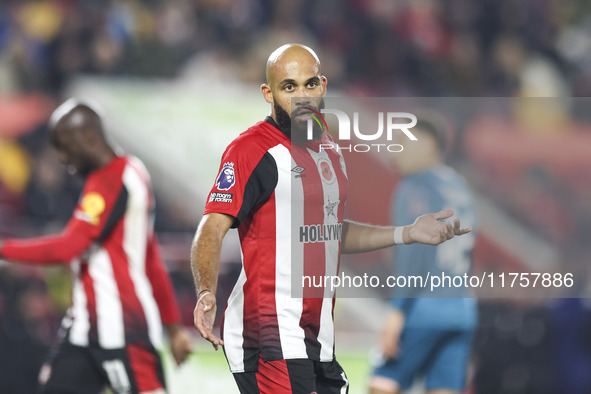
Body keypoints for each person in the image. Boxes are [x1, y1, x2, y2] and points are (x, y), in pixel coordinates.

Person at [191, 43, 471, 394]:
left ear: (323, 85)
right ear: (268, 93)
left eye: (309, 84)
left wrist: (407, 233)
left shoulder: (329, 149)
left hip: (316, 334)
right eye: (289, 87)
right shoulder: (251, 150)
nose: (302, 95)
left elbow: (331, 233)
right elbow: (212, 226)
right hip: (269, 332)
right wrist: (206, 291)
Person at [0, 99, 193, 394]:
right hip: (84, 331)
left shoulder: (110, 181)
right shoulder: (133, 171)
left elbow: (68, 247)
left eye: (65, 146)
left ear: (89, 138)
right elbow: (149, 255)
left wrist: (4, 248)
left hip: (124, 331)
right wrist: (173, 327)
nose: (62, 157)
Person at [368, 115, 478, 394]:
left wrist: (396, 310)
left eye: (403, 142)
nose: (395, 149)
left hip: (423, 307)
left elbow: (415, 253)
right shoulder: (459, 186)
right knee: (444, 388)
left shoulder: (414, 187)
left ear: (428, 145)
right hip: (461, 309)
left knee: (382, 384)